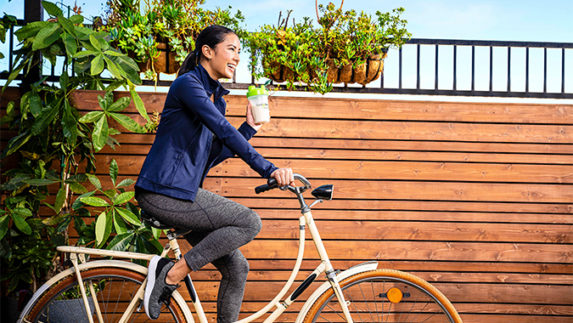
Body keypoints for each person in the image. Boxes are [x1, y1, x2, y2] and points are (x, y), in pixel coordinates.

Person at [134, 25, 294, 321]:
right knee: (249, 222)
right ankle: (172, 273)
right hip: (162, 191)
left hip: (181, 193)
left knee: (237, 268)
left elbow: (210, 155)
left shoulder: (215, 100)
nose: (236, 58)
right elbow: (222, 129)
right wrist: (269, 170)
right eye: (231, 49)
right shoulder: (187, 85)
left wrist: (248, 129)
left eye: (239, 52)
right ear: (207, 51)